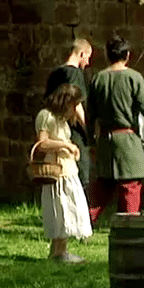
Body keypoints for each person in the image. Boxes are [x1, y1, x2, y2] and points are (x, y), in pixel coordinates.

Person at [87, 34, 144, 226]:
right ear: (127, 55)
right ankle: (128, 226)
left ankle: (82, 223)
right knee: (131, 186)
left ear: (108, 55)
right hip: (127, 140)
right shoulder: (134, 78)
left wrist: (91, 142)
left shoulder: (98, 79)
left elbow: (90, 115)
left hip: (105, 141)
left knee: (102, 187)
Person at [34, 83, 93, 263]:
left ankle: (60, 251)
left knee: (67, 208)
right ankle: (57, 252)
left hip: (67, 169)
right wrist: (65, 145)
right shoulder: (46, 116)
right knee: (59, 209)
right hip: (56, 170)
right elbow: (42, 143)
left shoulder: (61, 119)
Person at [44, 39, 93, 189]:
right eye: (88, 57)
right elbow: (76, 104)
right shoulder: (75, 74)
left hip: (56, 128)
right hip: (73, 128)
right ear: (81, 53)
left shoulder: (55, 73)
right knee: (80, 172)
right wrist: (87, 128)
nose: (88, 62)